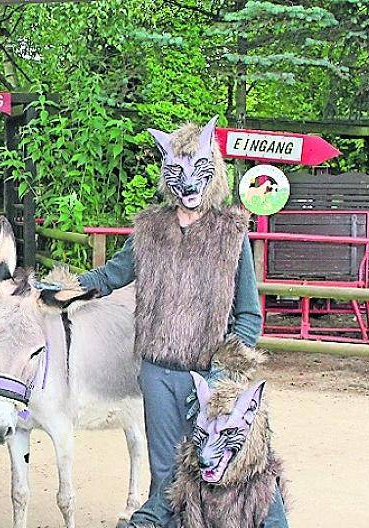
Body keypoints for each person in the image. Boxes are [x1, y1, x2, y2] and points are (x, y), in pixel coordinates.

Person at [77, 116, 288, 527]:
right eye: (178, 172)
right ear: (166, 173)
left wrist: (221, 378)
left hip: (212, 376)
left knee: (241, 470)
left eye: (199, 171)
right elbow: (111, 276)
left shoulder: (232, 233)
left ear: (214, 172)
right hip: (158, 374)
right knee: (167, 476)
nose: (189, 185)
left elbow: (248, 316)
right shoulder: (150, 230)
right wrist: (63, 288)